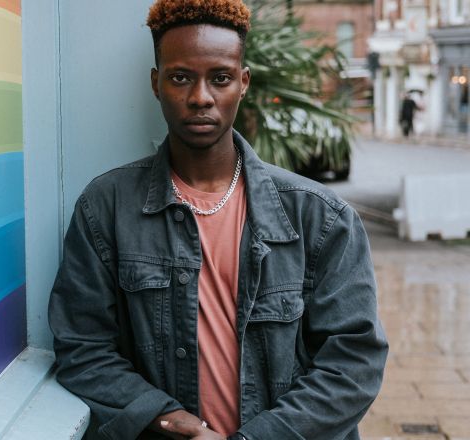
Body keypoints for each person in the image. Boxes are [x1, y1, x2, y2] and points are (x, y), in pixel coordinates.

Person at [47, 1, 388, 439]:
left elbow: (352, 363)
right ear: (156, 83)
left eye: (220, 78)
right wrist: (173, 421)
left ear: (243, 83)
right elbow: (83, 347)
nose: (200, 97)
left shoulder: (321, 217)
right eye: (180, 77)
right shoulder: (106, 207)